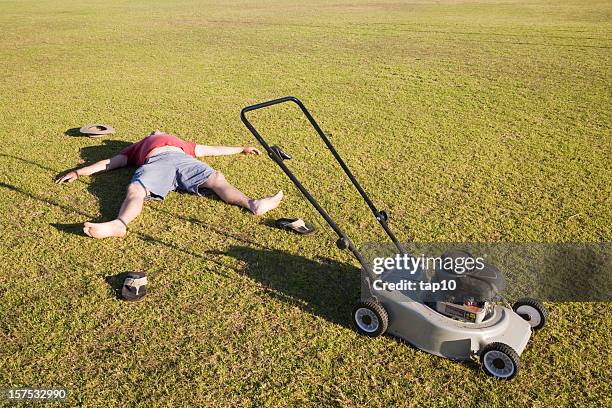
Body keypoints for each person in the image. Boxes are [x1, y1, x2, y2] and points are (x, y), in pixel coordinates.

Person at [56, 131, 283, 239]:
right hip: (156, 163)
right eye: (153, 131)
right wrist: (79, 171)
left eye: (158, 131)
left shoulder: (181, 143)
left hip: (185, 161)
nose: (156, 130)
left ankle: (253, 204)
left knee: (216, 179)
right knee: (136, 190)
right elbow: (110, 162)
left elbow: (210, 149)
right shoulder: (139, 145)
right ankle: (119, 224)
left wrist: (241, 148)